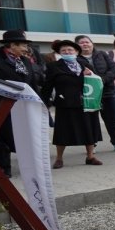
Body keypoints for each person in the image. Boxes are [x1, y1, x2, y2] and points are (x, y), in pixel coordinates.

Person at [0, 29, 40, 176]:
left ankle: (30, 167)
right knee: (2, 137)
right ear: (12, 45)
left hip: (22, 105)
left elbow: (32, 84)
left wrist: (39, 103)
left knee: (25, 137)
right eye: (23, 45)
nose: (26, 49)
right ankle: (3, 169)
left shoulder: (24, 61)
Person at [45, 39, 102, 168]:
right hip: (65, 103)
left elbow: (96, 80)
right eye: (63, 50)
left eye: (70, 50)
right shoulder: (54, 66)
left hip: (85, 102)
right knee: (62, 132)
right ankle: (59, 159)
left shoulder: (84, 63)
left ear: (76, 51)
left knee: (89, 129)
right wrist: (43, 101)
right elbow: (47, 85)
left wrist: (90, 74)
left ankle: (90, 156)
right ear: (59, 53)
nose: (67, 52)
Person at [75, 34, 115, 152]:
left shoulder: (102, 54)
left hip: (107, 92)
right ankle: (92, 144)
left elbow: (114, 69)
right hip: (88, 94)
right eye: (81, 42)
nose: (85, 44)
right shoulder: (76, 59)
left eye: (87, 42)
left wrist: (101, 80)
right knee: (91, 119)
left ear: (92, 43)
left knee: (111, 119)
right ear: (77, 45)